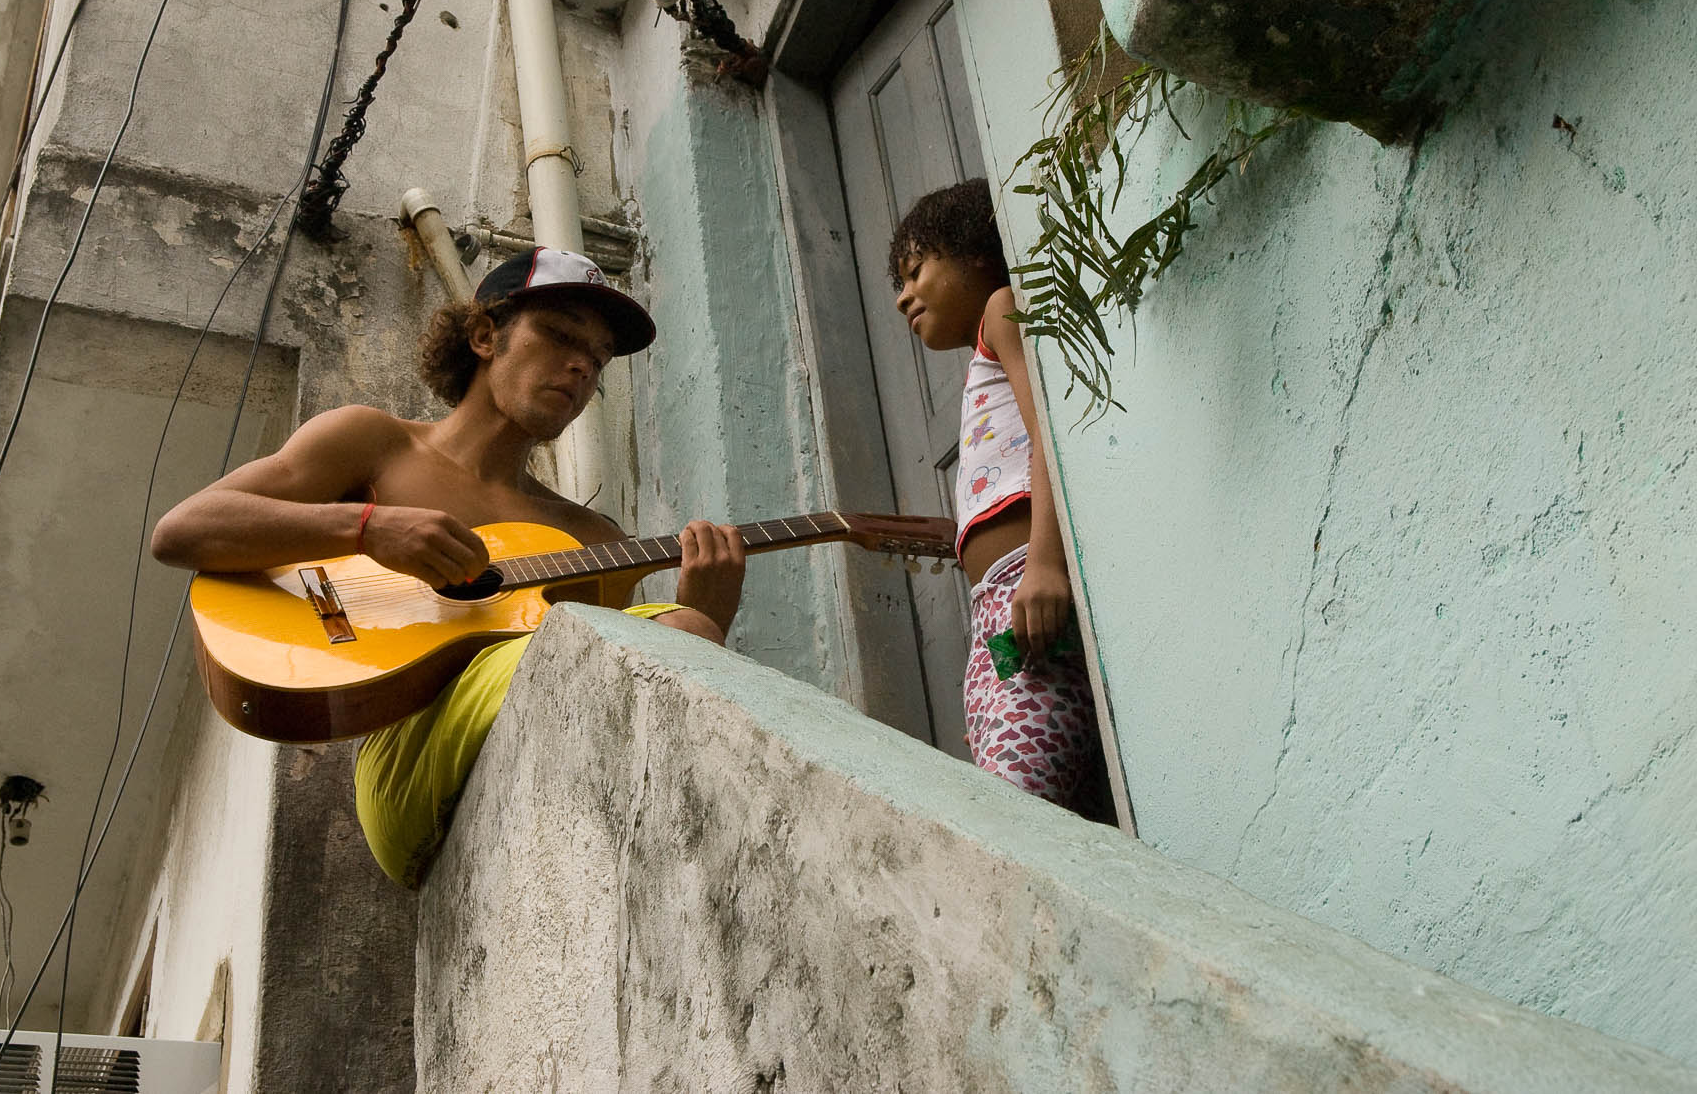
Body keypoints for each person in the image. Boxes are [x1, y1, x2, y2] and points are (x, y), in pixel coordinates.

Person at [152, 246, 747, 883]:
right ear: (485, 336)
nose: (581, 366)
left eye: (598, 360)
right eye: (560, 336)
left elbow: (616, 701)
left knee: (681, 629)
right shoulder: (375, 444)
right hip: (406, 766)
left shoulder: (589, 537)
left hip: (523, 755)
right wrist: (366, 529)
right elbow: (183, 530)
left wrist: (705, 615)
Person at [887, 180, 1102, 813]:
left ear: (976, 252)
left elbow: (1051, 435)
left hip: (1027, 582)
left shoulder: (1004, 308)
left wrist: (1046, 563)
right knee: (1017, 807)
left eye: (915, 270)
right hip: (996, 617)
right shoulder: (982, 359)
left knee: (1017, 815)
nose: (902, 296)